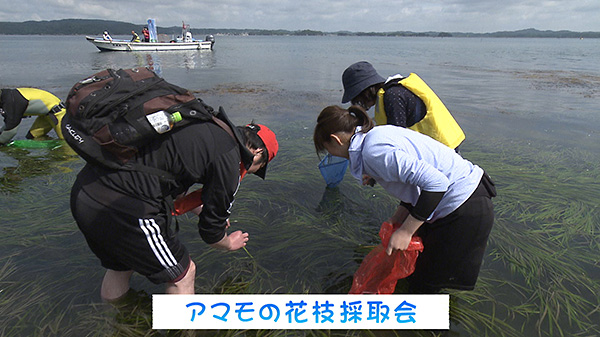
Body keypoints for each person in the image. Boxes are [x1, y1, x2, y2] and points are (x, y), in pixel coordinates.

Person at [69, 116, 278, 301]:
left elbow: (168, 175)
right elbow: (211, 234)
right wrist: (228, 243)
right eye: (259, 167)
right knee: (183, 275)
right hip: (126, 206)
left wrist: (200, 209)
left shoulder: (206, 127)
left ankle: (113, 321)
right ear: (258, 152)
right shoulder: (231, 159)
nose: (252, 171)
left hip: (87, 191)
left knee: (121, 265)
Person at [313, 105, 495, 293]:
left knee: (425, 285)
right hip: (462, 198)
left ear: (335, 140)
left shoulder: (374, 152)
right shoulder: (374, 136)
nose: (331, 154)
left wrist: (406, 232)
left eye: (327, 149)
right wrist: (398, 219)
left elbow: (437, 184)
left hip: (464, 207)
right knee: (417, 273)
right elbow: (415, 184)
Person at [341, 61, 465, 152]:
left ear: (364, 92)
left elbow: (396, 142)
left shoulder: (393, 97)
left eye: (356, 98)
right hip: (443, 147)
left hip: (444, 152)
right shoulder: (394, 91)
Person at [0, 88, 65, 144]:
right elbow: (8, 123)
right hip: (46, 115)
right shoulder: (5, 97)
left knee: (66, 142)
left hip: (58, 113)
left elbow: (11, 130)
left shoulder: (11, 102)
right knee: (33, 137)